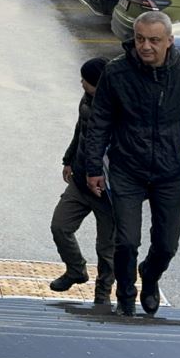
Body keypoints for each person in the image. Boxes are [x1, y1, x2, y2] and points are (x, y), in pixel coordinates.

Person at [82, 11, 180, 317]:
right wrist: (93, 168)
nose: (146, 46)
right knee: (127, 241)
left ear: (169, 41)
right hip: (127, 168)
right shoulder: (117, 73)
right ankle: (126, 296)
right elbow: (99, 122)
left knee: (167, 245)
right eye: (140, 38)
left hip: (171, 173)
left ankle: (151, 276)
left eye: (154, 40)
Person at [49, 57, 115, 305]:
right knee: (60, 226)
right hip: (80, 180)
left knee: (107, 248)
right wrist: (68, 159)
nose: (81, 83)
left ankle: (103, 293)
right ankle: (76, 269)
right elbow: (80, 131)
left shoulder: (119, 109)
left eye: (86, 81)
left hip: (107, 190)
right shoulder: (86, 101)